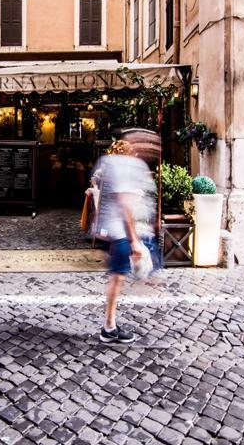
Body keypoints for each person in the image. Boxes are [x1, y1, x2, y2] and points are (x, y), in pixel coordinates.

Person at [93, 136, 159, 344]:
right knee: (118, 277)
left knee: (119, 276)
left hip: (115, 230)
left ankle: (110, 325)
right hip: (120, 231)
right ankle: (109, 327)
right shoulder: (125, 166)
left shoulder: (111, 163)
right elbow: (124, 205)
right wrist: (133, 240)